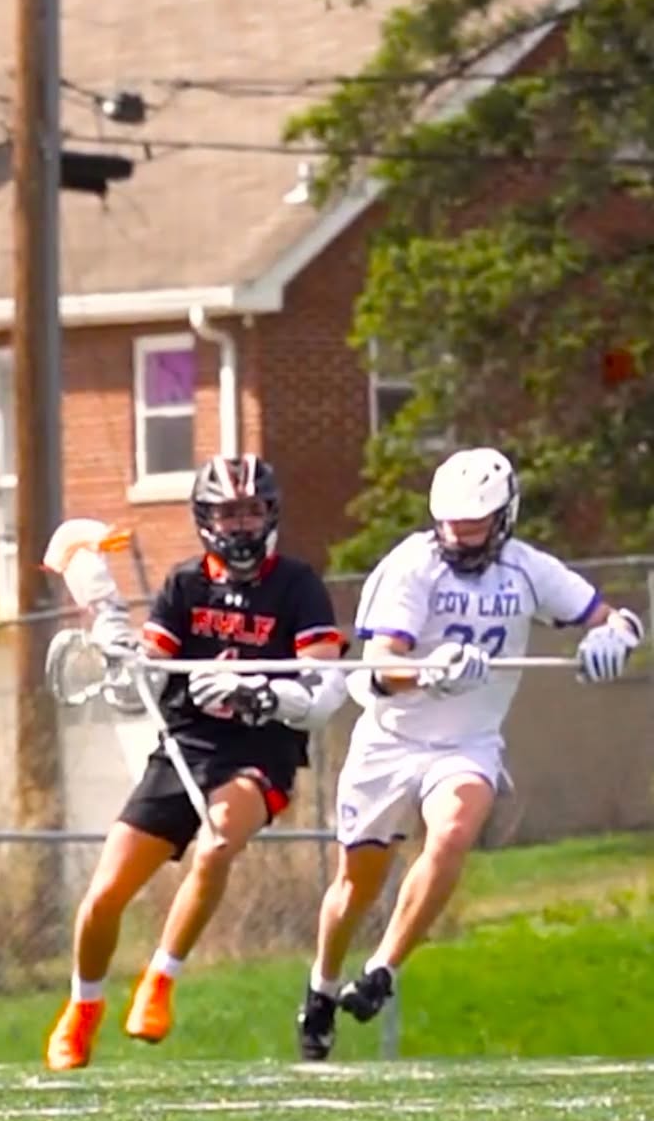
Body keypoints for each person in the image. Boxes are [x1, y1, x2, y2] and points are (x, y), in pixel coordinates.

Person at [297, 446, 645, 1062]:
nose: (460, 536)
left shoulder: (527, 570)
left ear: (505, 516)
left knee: (454, 831)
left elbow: (607, 615)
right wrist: (432, 671)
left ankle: (382, 970)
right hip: (391, 740)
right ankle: (321, 987)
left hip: (467, 743)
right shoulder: (412, 566)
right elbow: (379, 667)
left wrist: (615, 636)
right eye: (451, 523)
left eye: (475, 524)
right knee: (357, 884)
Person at [45, 453, 348, 1072]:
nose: (241, 524)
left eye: (251, 510)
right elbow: (145, 687)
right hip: (186, 746)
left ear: (270, 513)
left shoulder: (298, 585)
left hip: (260, 750)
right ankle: (83, 1007)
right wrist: (121, 653)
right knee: (103, 896)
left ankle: (160, 978)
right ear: (205, 518)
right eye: (228, 512)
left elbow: (324, 690)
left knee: (217, 843)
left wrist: (261, 693)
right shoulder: (184, 585)